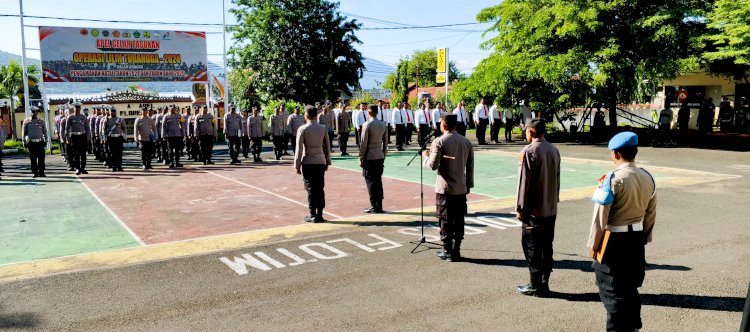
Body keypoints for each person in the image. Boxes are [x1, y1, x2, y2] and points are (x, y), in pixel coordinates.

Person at [587, 132, 656, 332]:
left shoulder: (612, 179)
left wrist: (594, 245)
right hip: (636, 238)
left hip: (613, 241)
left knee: (611, 289)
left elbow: (600, 217)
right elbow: (651, 212)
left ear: (616, 154)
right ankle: (633, 326)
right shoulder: (648, 177)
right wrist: (644, 238)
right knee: (630, 287)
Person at [516, 118, 561, 297]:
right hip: (550, 207)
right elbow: (557, 179)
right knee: (546, 246)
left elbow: (524, 183)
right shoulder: (554, 149)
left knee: (532, 246)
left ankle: (535, 284)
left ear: (531, 132)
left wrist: (520, 208)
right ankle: (544, 281)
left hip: (534, 209)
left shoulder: (529, 151)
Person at [424, 114, 474, 262]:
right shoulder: (466, 141)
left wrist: (425, 157)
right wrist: (468, 185)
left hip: (445, 188)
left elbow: (433, 165)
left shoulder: (439, 141)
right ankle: (456, 249)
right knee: (458, 219)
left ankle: (447, 249)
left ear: (444, 125)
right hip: (460, 187)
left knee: (445, 219)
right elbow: (470, 166)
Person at [294, 105, 332, 223]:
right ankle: (320, 214)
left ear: (306, 115)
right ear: (316, 115)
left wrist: (297, 165)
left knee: (310, 188)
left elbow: (299, 149)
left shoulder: (303, 129)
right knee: (320, 188)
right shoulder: (323, 128)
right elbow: (327, 146)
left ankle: (313, 214)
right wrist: (327, 161)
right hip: (320, 160)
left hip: (308, 161)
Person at [359, 105, 388, 214]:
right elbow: (385, 142)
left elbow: (363, 144)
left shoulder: (367, 125)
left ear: (369, 112)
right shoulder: (382, 124)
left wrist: (361, 157)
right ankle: (379, 204)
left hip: (370, 156)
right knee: (378, 181)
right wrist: (383, 154)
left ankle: (373, 205)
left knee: (370, 181)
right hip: (379, 155)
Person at [22, 107, 48, 178]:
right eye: (32, 112)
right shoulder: (26, 121)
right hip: (31, 143)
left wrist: (46, 140)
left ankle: (41, 172)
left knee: (41, 158)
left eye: (35, 112)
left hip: (40, 142)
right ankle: (35, 173)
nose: (33, 113)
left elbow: (45, 132)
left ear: (37, 113)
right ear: (31, 112)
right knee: (33, 159)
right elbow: (24, 133)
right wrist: (23, 142)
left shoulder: (41, 121)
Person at [65, 103, 90, 175]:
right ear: (74, 109)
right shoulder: (70, 117)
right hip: (74, 137)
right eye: (76, 108)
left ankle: (83, 168)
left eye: (78, 108)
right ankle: (78, 168)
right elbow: (67, 129)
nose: (77, 109)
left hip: (82, 136)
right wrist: (67, 138)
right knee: (76, 154)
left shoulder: (84, 117)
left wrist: (87, 137)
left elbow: (87, 128)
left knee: (83, 154)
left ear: (80, 109)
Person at [102, 107, 127, 172]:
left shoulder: (120, 119)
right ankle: (114, 166)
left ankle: (119, 166)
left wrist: (124, 137)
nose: (113, 112)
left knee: (119, 153)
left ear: (116, 112)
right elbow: (104, 129)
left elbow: (124, 128)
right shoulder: (107, 119)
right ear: (109, 112)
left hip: (119, 138)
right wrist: (104, 138)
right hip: (111, 138)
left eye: (114, 111)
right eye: (112, 111)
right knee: (112, 153)